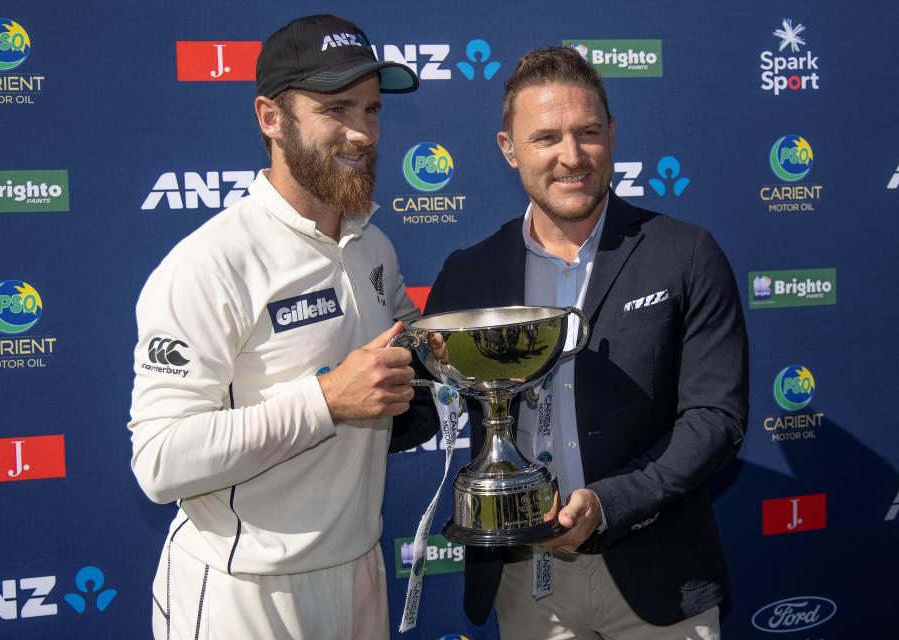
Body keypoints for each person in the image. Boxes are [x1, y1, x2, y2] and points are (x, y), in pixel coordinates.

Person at [127, 14, 438, 640]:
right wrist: (326, 400)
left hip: (360, 568)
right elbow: (158, 462)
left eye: (372, 110)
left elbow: (405, 349)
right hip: (246, 588)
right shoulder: (210, 263)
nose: (361, 133)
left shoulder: (372, 245)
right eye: (335, 108)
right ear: (271, 118)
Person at [421, 47, 749, 639]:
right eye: (546, 137)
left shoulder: (685, 253)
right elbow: (427, 403)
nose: (571, 157)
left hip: (660, 576)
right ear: (509, 149)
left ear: (612, 135)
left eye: (588, 132)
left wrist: (612, 501)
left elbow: (715, 417)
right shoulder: (468, 274)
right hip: (524, 581)